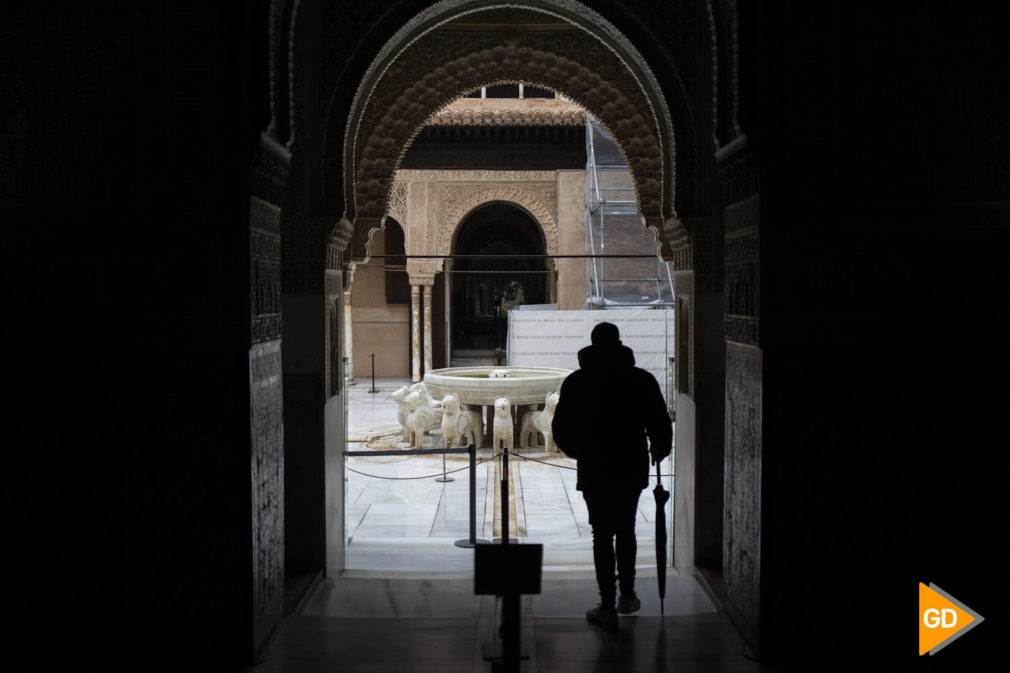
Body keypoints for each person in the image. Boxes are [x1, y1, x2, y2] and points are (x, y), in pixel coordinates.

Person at [551, 321, 673, 631]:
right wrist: (658, 448)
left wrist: (581, 451)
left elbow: (562, 429)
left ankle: (606, 603)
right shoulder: (640, 380)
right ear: (619, 343)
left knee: (601, 533)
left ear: (592, 344)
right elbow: (660, 423)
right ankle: (627, 595)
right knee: (626, 527)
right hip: (630, 463)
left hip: (595, 464)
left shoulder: (577, 382)